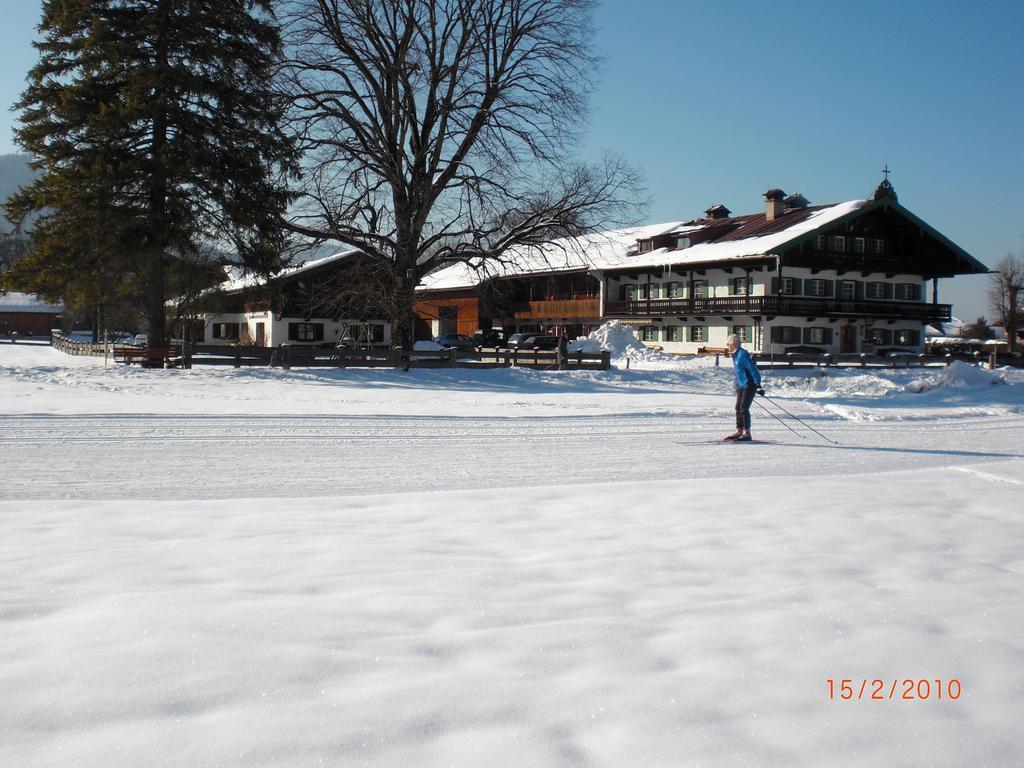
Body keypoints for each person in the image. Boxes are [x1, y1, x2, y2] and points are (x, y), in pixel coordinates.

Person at [724, 333, 763, 441]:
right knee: (738, 408)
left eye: (729, 344)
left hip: (749, 385)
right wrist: (737, 384)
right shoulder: (735, 355)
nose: (728, 346)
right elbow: (740, 371)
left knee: (743, 408)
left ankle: (747, 433)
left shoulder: (742, 354)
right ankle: (739, 430)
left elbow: (753, 369)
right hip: (741, 386)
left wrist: (758, 384)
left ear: (734, 344)